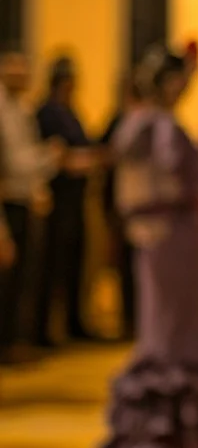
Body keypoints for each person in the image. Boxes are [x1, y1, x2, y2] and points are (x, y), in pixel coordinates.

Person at [103, 44, 198, 448]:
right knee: (169, 327)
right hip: (171, 236)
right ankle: (163, 427)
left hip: (174, 236)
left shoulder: (148, 123)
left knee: (173, 322)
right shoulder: (155, 127)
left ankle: (172, 425)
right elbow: (144, 186)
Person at [0, 49, 59, 363]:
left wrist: (40, 181)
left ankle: (14, 341)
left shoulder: (22, 110)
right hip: (7, 201)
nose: (20, 76)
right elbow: (14, 163)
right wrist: (49, 156)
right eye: (14, 70)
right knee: (6, 278)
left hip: (23, 200)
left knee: (22, 277)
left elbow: (26, 158)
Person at [35, 55, 98, 344]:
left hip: (75, 197)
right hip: (58, 198)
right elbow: (56, 154)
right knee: (54, 266)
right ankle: (45, 329)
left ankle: (73, 322)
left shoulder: (70, 112)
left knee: (74, 263)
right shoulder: (48, 112)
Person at [99, 77, 142, 340]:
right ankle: (129, 319)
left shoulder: (141, 123)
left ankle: (137, 319)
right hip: (123, 204)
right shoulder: (122, 122)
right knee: (126, 263)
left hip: (136, 205)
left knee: (137, 265)